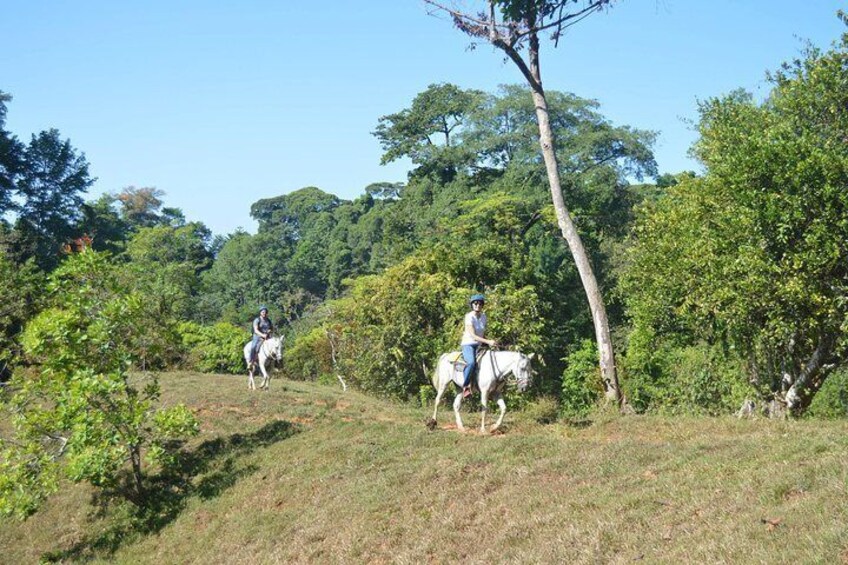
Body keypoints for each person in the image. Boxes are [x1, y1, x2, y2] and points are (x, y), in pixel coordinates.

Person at [460, 293, 497, 398]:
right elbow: (473, 335)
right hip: (469, 344)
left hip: (479, 345)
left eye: (480, 304)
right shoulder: (469, 317)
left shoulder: (484, 317)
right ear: (472, 305)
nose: (477, 305)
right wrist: (488, 341)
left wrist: (490, 343)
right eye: (475, 303)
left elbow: (481, 333)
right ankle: (465, 386)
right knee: (471, 363)